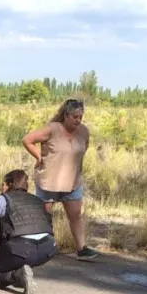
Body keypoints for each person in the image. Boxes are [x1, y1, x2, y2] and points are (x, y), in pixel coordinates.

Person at [22, 97, 98, 261]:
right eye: (75, 117)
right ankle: (45, 247)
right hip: (50, 180)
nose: (78, 121)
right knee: (45, 215)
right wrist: (39, 157)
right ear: (66, 115)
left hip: (72, 181)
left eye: (80, 117)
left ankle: (81, 249)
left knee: (76, 215)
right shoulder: (52, 129)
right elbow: (27, 140)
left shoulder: (84, 131)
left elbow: (84, 148)